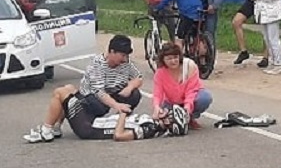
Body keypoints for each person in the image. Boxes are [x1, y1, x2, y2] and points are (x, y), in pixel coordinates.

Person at [24, 84, 189, 142]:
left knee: (61, 93)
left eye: (168, 113)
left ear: (168, 122)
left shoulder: (149, 128)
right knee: (70, 89)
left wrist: (123, 113)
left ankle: (46, 130)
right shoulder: (152, 124)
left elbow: (119, 136)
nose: (165, 111)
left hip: (88, 129)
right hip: (95, 121)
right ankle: (56, 128)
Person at [75, 34, 144, 119]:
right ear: (112, 51)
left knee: (135, 94)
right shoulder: (97, 65)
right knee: (99, 106)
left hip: (113, 91)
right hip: (93, 96)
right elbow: (99, 92)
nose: (125, 59)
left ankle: (122, 117)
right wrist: (116, 105)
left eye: (127, 56)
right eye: (122, 55)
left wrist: (129, 87)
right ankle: (91, 119)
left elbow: (138, 77)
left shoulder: (125, 62)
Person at [151, 41, 213, 130]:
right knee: (164, 121)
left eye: (175, 57)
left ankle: (191, 117)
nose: (173, 61)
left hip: (190, 99)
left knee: (205, 97)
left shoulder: (189, 67)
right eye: (169, 58)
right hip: (171, 102)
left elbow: (191, 91)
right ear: (163, 60)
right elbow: (158, 93)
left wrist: (187, 110)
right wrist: (156, 107)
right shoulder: (160, 73)